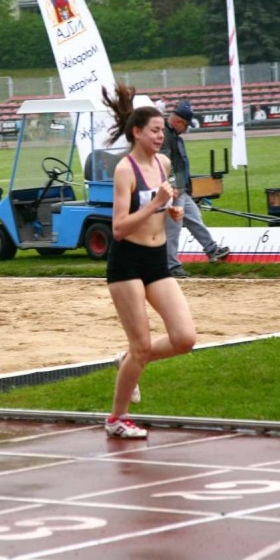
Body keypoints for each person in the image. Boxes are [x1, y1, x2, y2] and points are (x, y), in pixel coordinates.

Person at [102, 83, 196, 439]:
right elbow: (119, 228)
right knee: (141, 345)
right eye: (155, 131)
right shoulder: (125, 171)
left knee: (184, 338)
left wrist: (169, 211)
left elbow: (161, 204)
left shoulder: (163, 163)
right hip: (126, 263)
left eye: (162, 131)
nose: (161, 136)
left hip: (157, 261)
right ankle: (117, 418)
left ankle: (126, 360)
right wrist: (156, 204)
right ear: (137, 133)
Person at [159, 100, 230, 278]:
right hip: (174, 191)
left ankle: (212, 250)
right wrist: (172, 186)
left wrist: (187, 188)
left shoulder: (174, 135)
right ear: (178, 121)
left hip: (182, 190)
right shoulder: (164, 136)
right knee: (173, 229)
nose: (186, 129)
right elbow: (165, 163)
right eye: (185, 125)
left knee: (195, 219)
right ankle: (172, 266)